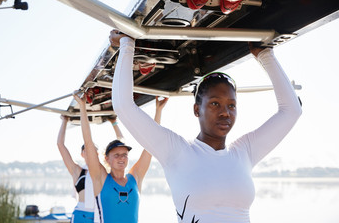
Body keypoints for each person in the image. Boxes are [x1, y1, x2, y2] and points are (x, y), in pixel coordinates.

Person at [110, 30, 302, 222]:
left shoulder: (244, 152)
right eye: (215, 103)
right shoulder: (177, 151)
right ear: (196, 109)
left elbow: (292, 110)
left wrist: (265, 55)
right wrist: (127, 46)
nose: (225, 112)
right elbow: (124, 106)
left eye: (231, 105)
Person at [73, 93, 168, 223]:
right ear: (107, 159)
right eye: (116, 155)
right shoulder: (100, 178)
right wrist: (82, 107)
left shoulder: (135, 177)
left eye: (124, 155)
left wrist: (158, 111)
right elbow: (88, 142)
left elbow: (150, 145)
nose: (121, 158)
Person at [57, 113, 128, 222]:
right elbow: (60, 145)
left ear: (97, 154)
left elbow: (121, 145)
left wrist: (114, 123)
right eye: (86, 150)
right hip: (81, 215)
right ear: (82, 154)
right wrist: (64, 121)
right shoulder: (78, 171)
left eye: (93, 149)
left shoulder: (105, 172)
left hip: (100, 215)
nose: (90, 152)